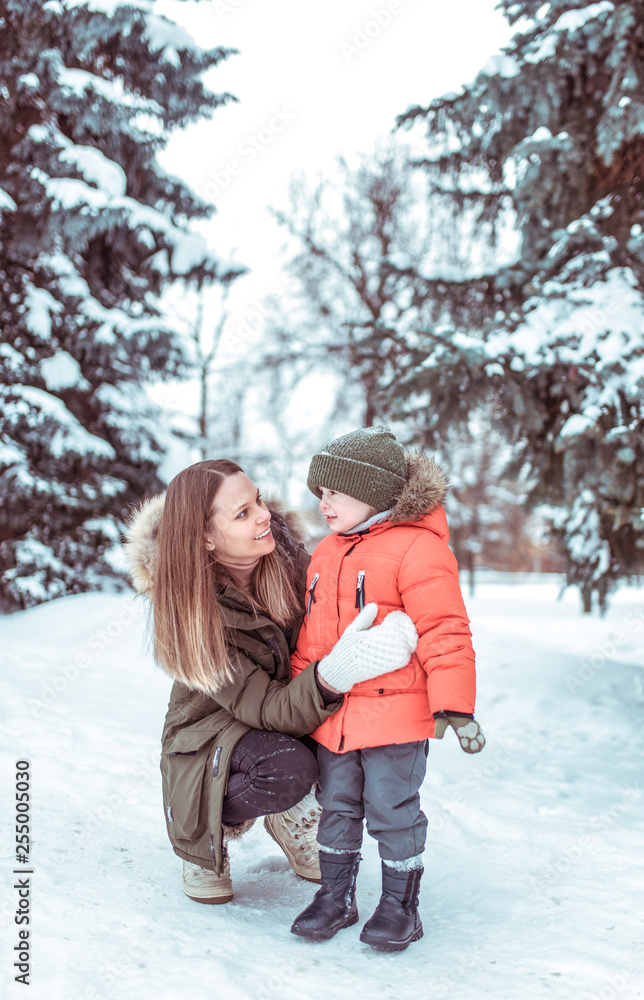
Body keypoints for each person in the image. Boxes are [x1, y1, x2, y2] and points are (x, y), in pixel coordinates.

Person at [124, 459, 417, 906]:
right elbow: (267, 709)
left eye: (257, 499)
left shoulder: (286, 558)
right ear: (204, 537)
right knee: (286, 768)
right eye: (242, 513)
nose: (264, 514)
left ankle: (290, 816)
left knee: (356, 732)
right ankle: (210, 825)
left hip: (287, 708)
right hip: (212, 738)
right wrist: (336, 671)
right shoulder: (191, 612)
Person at [289, 427, 486, 952]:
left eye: (334, 492)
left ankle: (401, 906)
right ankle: (336, 896)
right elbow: (312, 639)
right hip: (336, 717)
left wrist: (453, 704)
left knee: (390, 806)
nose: (324, 504)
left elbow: (445, 628)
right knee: (336, 805)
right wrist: (296, 699)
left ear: (372, 491)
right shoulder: (325, 553)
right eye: (320, 494)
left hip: (396, 718)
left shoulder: (418, 548)